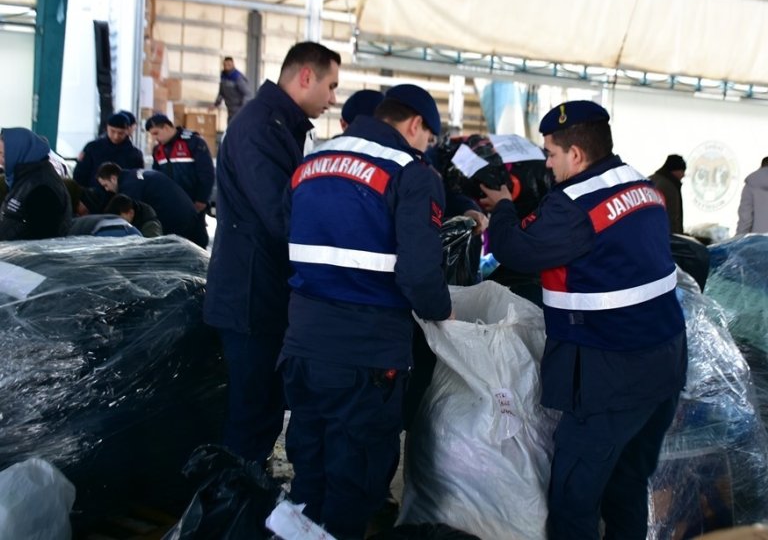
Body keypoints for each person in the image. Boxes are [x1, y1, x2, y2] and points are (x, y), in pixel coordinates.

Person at [480, 100, 687, 540]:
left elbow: (517, 249)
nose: (547, 164)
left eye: (551, 154)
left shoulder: (573, 206)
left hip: (610, 375)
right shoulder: (643, 187)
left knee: (573, 501)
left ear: (575, 154)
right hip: (663, 366)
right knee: (627, 485)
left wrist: (503, 207)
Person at [280, 84, 451, 538]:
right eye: (428, 138)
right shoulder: (410, 173)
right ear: (415, 124)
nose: (425, 147)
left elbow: (286, 235)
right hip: (365, 357)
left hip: (302, 346)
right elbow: (420, 275)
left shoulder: (312, 163)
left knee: (309, 471)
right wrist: (443, 312)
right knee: (354, 482)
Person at [204, 41, 341, 466]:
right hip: (248, 298)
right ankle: (230, 501)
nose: (333, 98)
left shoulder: (278, 124)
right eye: (331, 86)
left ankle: (245, 493)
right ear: (306, 77)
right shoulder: (261, 127)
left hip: (263, 292)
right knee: (250, 419)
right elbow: (281, 213)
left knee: (261, 413)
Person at [96, 163, 207, 248]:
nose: (107, 189)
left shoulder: (129, 188)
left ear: (113, 178)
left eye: (106, 185)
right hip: (187, 212)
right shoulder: (134, 175)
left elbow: (133, 220)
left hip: (175, 219)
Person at [0, 128, 73, 240]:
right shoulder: (23, 180)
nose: (0, 160)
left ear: (18, 152)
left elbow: (41, 240)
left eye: (3, 155)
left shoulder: (42, 188)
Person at [145, 113, 215, 212]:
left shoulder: (193, 142)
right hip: (167, 203)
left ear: (166, 127)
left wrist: (201, 199)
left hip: (192, 203)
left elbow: (206, 173)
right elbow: (156, 176)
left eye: (156, 133)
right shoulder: (157, 150)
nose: (154, 138)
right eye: (152, 134)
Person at [73, 112, 144, 189]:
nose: (116, 136)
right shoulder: (92, 147)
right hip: (93, 193)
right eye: (112, 131)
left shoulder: (135, 154)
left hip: (122, 194)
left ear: (127, 131)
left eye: (120, 133)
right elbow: (80, 174)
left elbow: (138, 179)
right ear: (107, 128)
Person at [649, 153, 687, 234]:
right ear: (675, 170)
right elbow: (673, 217)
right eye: (682, 171)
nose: (683, 175)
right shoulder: (670, 186)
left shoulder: (650, 180)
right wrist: (677, 236)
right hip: (665, 236)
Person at [215, 56, 254, 124]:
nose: (227, 66)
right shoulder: (223, 76)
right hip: (230, 110)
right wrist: (216, 104)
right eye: (225, 65)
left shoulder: (238, 77)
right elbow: (221, 92)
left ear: (233, 64)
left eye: (229, 65)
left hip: (238, 111)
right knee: (230, 126)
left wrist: (242, 109)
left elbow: (248, 94)